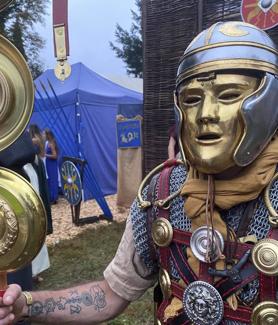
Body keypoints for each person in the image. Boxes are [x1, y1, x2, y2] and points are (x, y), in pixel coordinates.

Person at [1, 21, 278, 325]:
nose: (205, 114)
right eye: (192, 99)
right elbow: (109, 294)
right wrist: (26, 304)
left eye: (228, 95)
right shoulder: (161, 194)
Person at [43, 128, 59, 204]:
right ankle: (52, 197)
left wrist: (45, 155)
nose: (43, 135)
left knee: (53, 180)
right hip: (49, 163)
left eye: (44, 134)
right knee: (50, 179)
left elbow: (55, 156)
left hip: (52, 164)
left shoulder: (51, 143)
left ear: (47, 135)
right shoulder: (47, 142)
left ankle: (54, 197)